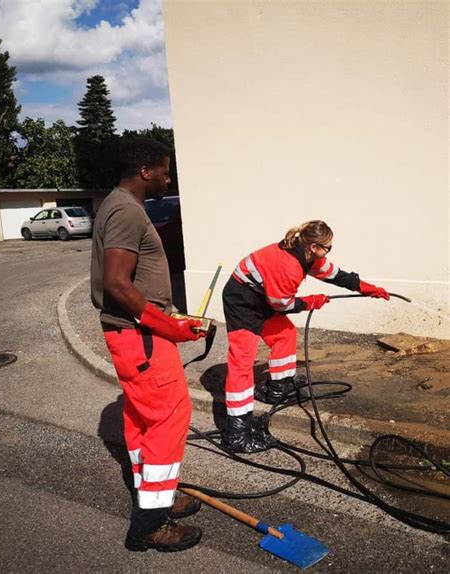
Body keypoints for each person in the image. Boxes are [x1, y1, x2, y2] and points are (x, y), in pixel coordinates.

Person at [90, 137, 205, 552]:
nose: (167, 177)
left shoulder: (120, 205)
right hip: (141, 338)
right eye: (164, 170)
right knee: (169, 417)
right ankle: (150, 525)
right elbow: (117, 283)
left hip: (139, 334)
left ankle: (158, 493)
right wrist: (168, 328)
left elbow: (133, 283)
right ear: (145, 171)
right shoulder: (125, 209)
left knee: (143, 420)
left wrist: (173, 318)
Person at [221, 220, 389, 453]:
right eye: (327, 247)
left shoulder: (309, 256)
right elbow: (282, 304)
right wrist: (311, 302)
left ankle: (278, 389)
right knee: (241, 362)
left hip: (262, 297)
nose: (329, 251)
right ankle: (237, 433)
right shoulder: (287, 265)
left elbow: (337, 275)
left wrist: (369, 288)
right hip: (242, 301)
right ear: (312, 246)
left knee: (286, 335)